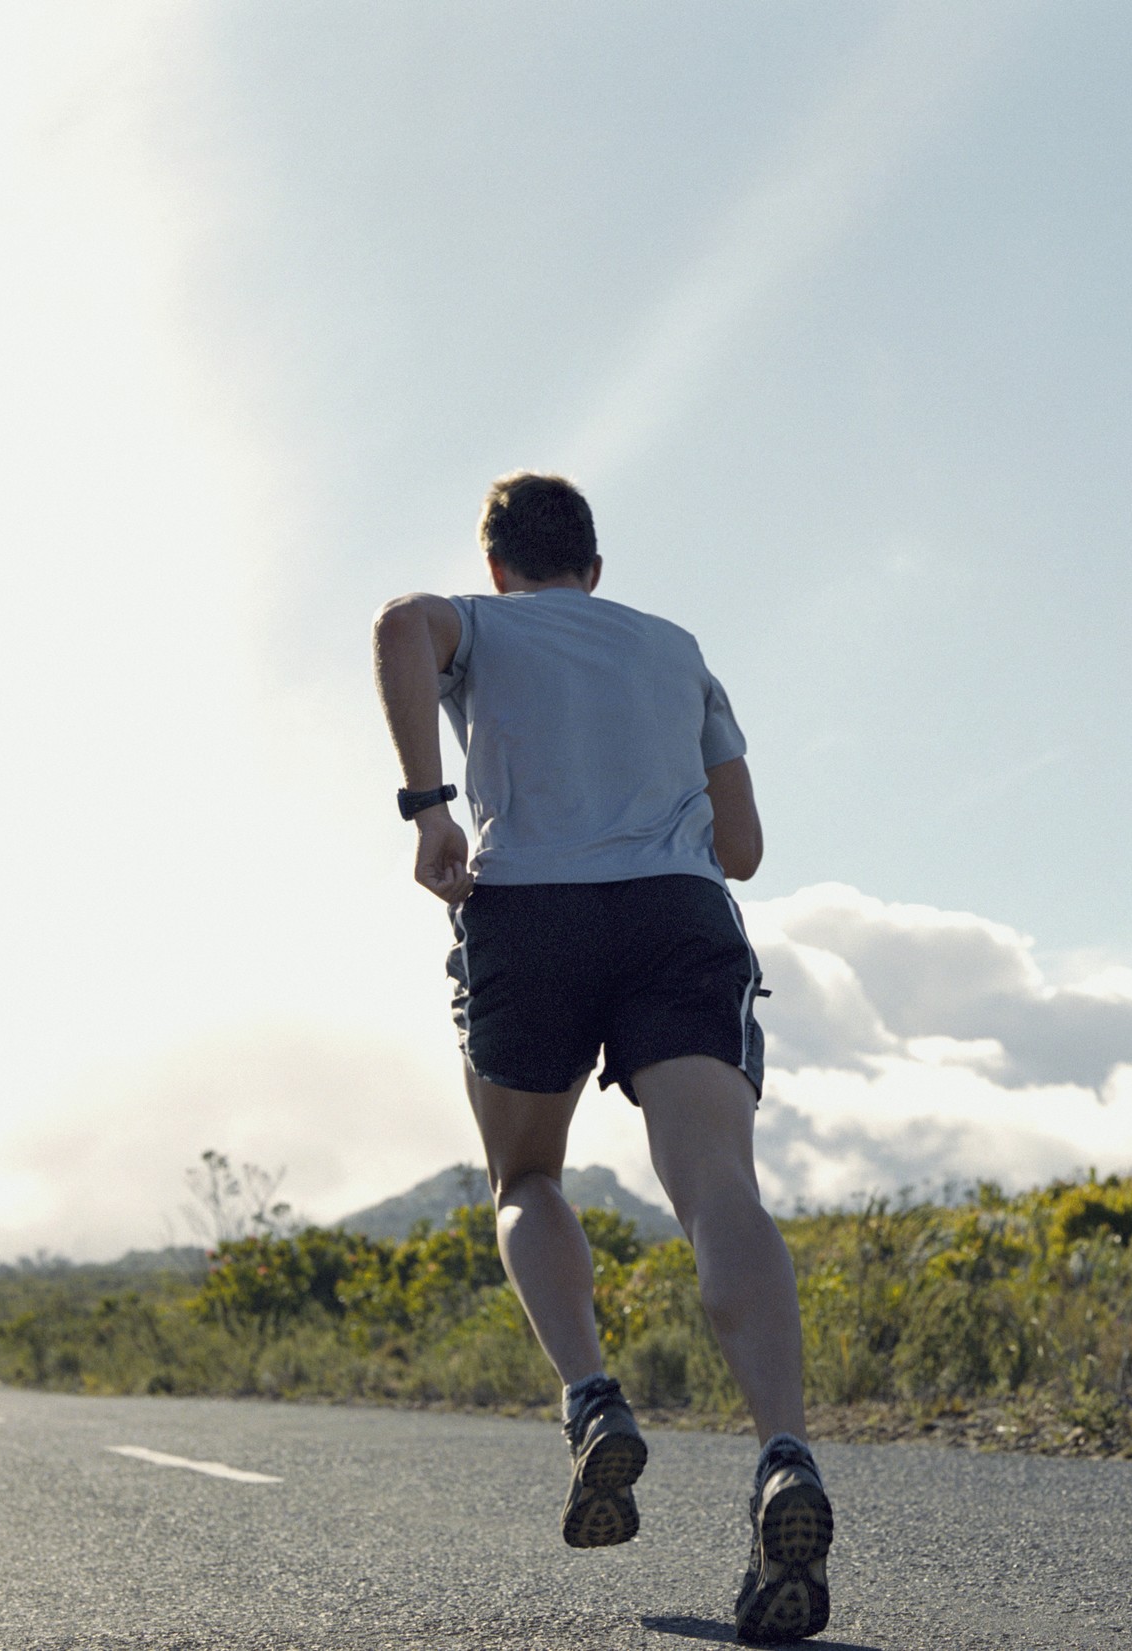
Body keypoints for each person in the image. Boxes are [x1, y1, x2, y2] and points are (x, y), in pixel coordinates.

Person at [371, 472, 834, 1645]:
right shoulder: (678, 650)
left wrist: (430, 805)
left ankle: (590, 1398)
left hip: (530, 915)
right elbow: (740, 847)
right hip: (674, 914)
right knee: (717, 1188)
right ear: (594, 563)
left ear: (496, 567)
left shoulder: (482, 626)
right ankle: (782, 1454)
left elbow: (395, 626)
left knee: (525, 1181)